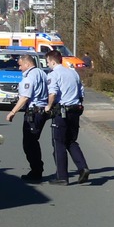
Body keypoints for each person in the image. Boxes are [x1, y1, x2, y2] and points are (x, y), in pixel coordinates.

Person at [45, 50, 90, 185]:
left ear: (53, 61)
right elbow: (81, 91)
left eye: (48, 62)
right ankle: (83, 168)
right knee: (71, 141)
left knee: (58, 143)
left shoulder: (54, 75)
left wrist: (48, 106)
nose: (48, 65)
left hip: (62, 111)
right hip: (75, 110)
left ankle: (62, 177)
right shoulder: (72, 72)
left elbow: (52, 93)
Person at [5, 53, 49, 181]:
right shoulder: (41, 73)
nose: (19, 68)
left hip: (33, 112)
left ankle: (36, 171)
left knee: (29, 143)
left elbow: (25, 97)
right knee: (33, 141)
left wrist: (12, 112)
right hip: (41, 111)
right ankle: (37, 169)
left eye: (20, 65)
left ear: (27, 63)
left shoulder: (30, 76)